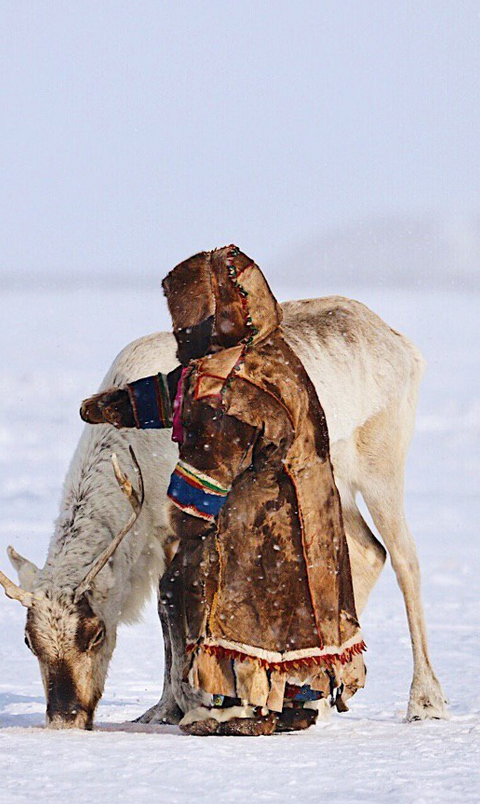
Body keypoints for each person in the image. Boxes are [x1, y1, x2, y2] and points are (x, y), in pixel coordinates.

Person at [81, 246, 365, 735]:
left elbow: (210, 460)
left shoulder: (231, 387)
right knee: (299, 612)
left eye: (185, 320)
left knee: (246, 606)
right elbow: (182, 394)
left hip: (260, 527)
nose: (180, 331)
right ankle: (295, 698)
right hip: (310, 514)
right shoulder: (265, 355)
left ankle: (243, 705)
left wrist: (187, 517)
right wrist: (123, 405)